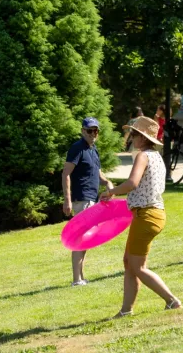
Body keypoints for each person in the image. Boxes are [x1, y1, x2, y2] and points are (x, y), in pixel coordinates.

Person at [101, 116, 181, 315]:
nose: (132, 137)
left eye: (135, 133)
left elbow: (132, 183)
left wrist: (111, 192)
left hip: (147, 215)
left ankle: (171, 300)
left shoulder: (143, 156)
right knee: (129, 262)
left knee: (138, 266)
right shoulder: (156, 156)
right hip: (150, 214)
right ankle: (126, 310)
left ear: (144, 138)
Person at [62, 117, 113, 286]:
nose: (93, 134)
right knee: (80, 238)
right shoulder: (77, 148)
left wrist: (107, 183)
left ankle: (81, 277)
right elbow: (66, 174)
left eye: (96, 131)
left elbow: (97, 172)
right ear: (83, 131)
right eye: (90, 131)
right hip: (81, 198)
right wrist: (67, 200)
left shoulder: (93, 149)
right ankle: (77, 279)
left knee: (86, 239)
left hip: (91, 198)